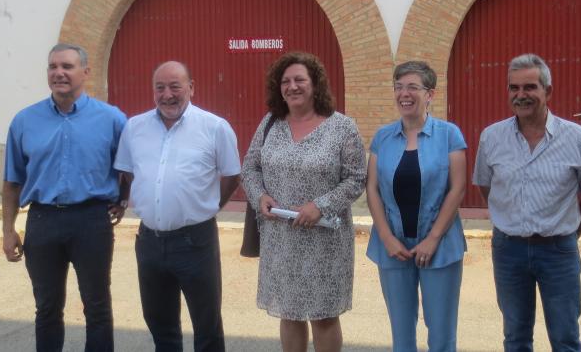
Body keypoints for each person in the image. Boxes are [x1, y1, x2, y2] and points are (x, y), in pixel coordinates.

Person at [472, 53, 581, 352]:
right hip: (509, 250)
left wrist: (571, 232)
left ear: (548, 91)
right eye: (514, 88)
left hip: (558, 251)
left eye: (530, 87)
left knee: (565, 338)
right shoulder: (491, 137)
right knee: (516, 337)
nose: (521, 95)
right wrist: (513, 217)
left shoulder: (579, 138)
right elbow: (487, 187)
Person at [1, 43, 127, 352]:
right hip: (42, 221)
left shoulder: (112, 120)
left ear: (85, 72)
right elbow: (12, 181)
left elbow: (131, 167)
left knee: (97, 306)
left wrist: (123, 199)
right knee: (46, 308)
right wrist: (8, 230)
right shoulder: (24, 121)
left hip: (91, 222)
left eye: (67, 66)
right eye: (53, 67)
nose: (59, 73)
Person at [241, 51, 367, 352]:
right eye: (285, 81)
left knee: (323, 316)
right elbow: (249, 167)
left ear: (315, 84)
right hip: (280, 239)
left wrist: (319, 206)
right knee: (289, 313)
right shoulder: (270, 123)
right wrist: (260, 196)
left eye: (299, 79)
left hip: (325, 240)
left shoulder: (342, 127)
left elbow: (356, 178)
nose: (292, 86)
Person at [113, 61, 241, 352]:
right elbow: (128, 172)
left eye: (175, 86)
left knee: (207, 326)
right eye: (160, 87)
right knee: (160, 325)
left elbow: (232, 174)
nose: (167, 94)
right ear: (153, 91)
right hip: (149, 241)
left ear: (191, 88)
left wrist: (211, 205)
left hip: (195, 241)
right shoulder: (135, 127)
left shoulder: (215, 127)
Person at [365, 61, 468, 352]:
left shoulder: (449, 134)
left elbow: (457, 188)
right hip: (392, 248)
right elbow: (371, 188)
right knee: (401, 336)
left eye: (412, 87)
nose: (404, 93)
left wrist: (433, 238)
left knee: (441, 336)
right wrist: (386, 237)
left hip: (440, 246)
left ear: (430, 94)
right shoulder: (383, 137)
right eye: (398, 87)